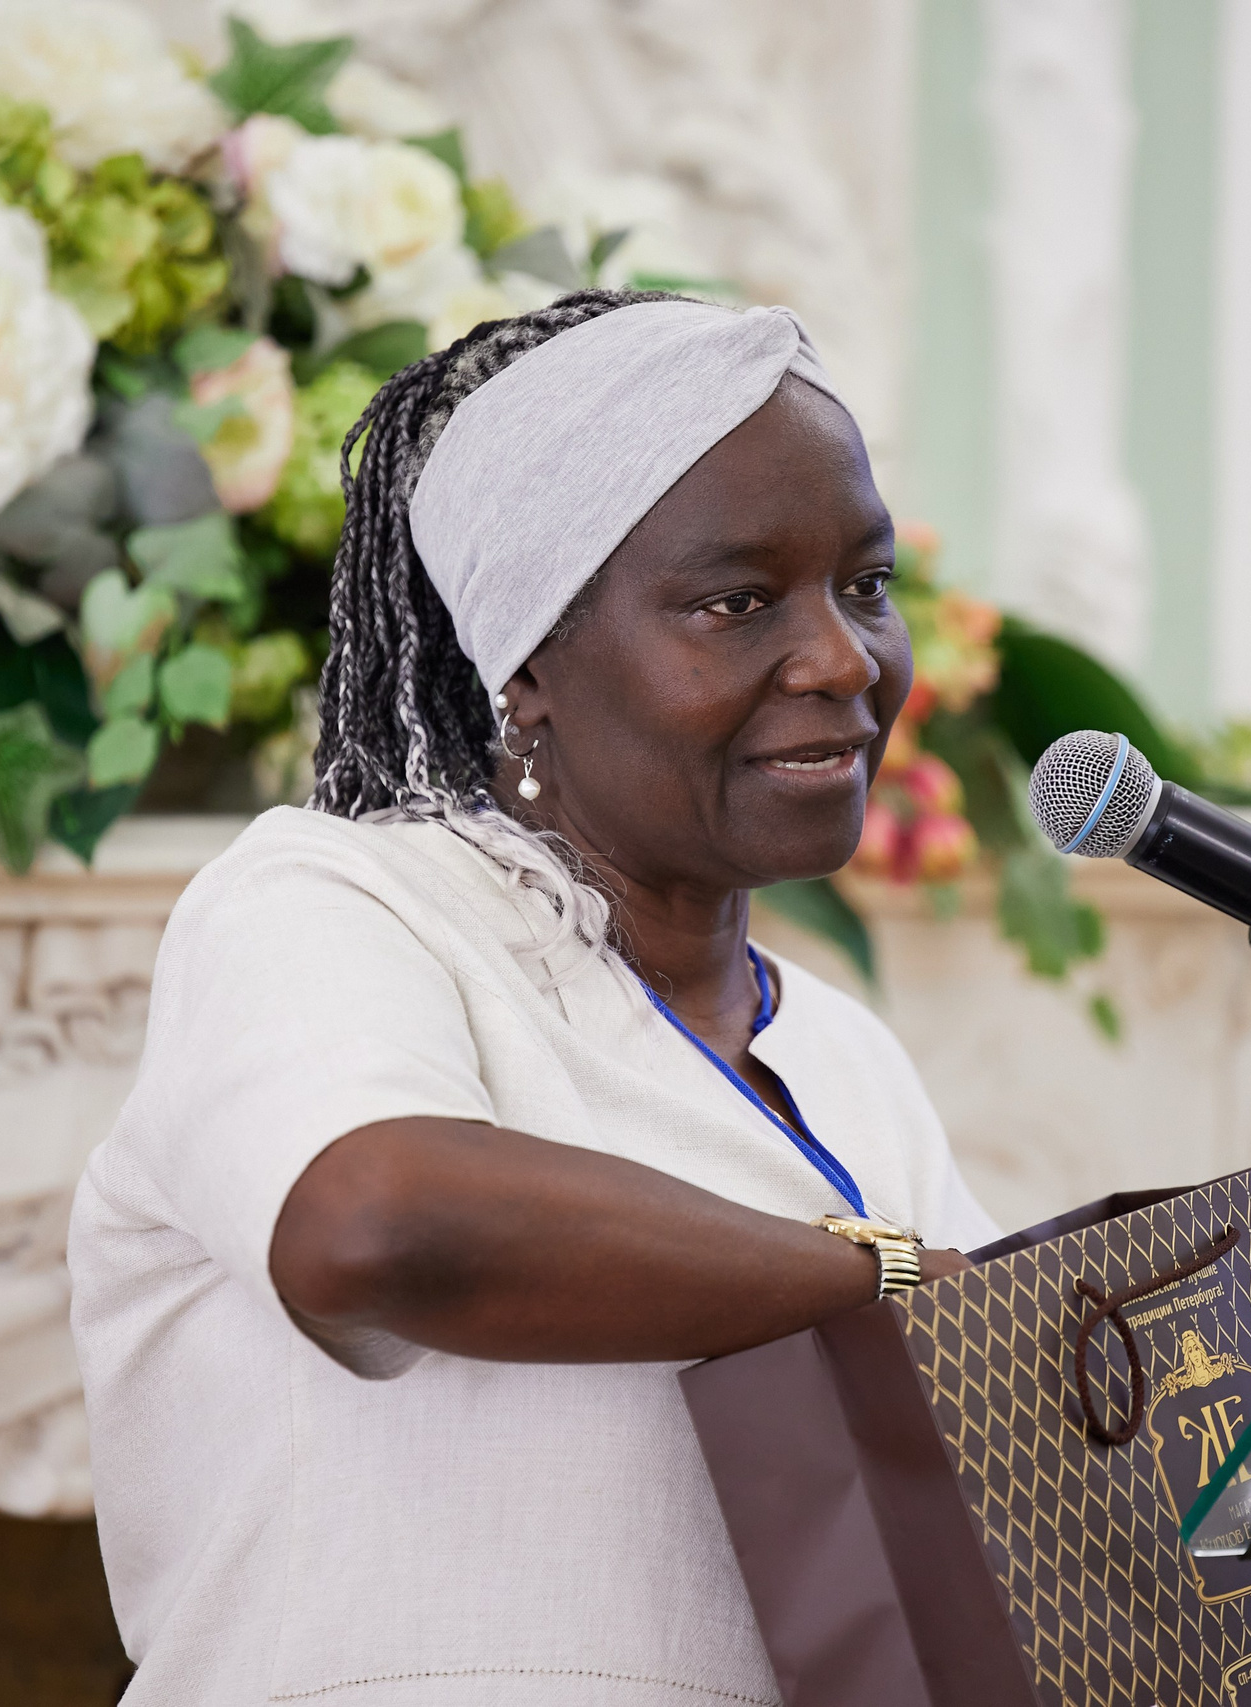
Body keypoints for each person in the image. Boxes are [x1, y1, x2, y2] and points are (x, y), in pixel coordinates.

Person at [69, 290, 1002, 1706]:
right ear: (526, 673)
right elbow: (374, 1222)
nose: (840, 660)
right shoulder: (333, 909)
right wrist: (880, 1281)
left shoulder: (852, 1063)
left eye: (865, 587)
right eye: (737, 602)